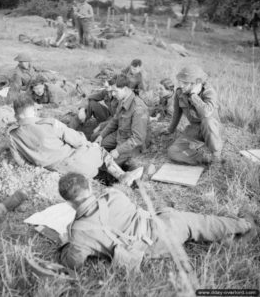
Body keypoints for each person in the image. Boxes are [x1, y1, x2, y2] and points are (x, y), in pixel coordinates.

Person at [58, 172, 257, 270]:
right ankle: (245, 225)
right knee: (203, 222)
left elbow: (72, 263)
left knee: (194, 228)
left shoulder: (79, 232)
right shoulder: (113, 194)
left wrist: (66, 240)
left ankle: (233, 240)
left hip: (151, 248)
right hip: (167, 224)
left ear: (68, 203)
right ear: (90, 189)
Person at [0, 95, 143, 187]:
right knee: (100, 151)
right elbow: (77, 141)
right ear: (34, 110)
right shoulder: (49, 123)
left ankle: (110, 177)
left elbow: (21, 163)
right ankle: (122, 176)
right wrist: (89, 143)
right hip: (80, 162)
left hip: (59, 171)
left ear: (16, 114)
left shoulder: (12, 137)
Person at [161, 65, 222, 165]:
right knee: (173, 151)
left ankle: (216, 155)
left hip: (212, 129)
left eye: (185, 83)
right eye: (180, 82)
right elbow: (177, 113)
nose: (181, 85)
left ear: (195, 83)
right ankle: (205, 160)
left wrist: (194, 96)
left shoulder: (209, 92)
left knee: (207, 121)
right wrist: (170, 129)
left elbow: (206, 113)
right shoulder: (180, 93)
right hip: (195, 129)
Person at [95, 75, 149, 169]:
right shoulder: (122, 99)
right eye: (112, 91)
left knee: (107, 166)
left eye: (115, 91)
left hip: (131, 144)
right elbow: (115, 121)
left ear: (126, 89)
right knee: (97, 148)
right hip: (120, 135)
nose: (113, 94)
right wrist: (101, 135)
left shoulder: (138, 108)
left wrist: (118, 151)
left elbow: (138, 139)